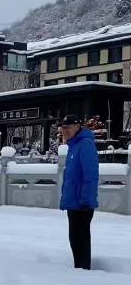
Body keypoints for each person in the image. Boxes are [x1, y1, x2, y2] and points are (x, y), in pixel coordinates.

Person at [59, 114, 99, 270]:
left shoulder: (85, 145)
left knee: (80, 240)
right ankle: (79, 269)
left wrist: (86, 199)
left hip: (82, 203)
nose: (65, 131)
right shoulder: (73, 146)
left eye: (68, 128)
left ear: (77, 127)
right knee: (74, 239)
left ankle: (84, 271)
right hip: (73, 202)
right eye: (63, 128)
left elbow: (91, 175)